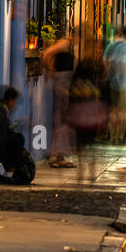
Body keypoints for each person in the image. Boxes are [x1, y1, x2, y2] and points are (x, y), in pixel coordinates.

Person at [67, 59, 110, 183]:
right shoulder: (95, 84)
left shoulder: (75, 84)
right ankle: (91, 172)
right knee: (91, 147)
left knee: (80, 148)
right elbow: (103, 101)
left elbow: (71, 100)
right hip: (91, 120)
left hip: (78, 119)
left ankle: (81, 173)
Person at [42, 34, 76, 168]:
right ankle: (56, 156)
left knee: (62, 120)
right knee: (60, 120)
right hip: (61, 83)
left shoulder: (69, 45)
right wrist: (48, 70)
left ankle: (59, 156)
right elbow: (46, 54)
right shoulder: (65, 43)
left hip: (63, 83)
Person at [103, 28, 126, 144]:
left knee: (114, 110)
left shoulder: (113, 45)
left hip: (113, 81)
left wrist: (108, 73)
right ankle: (124, 136)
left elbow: (106, 61)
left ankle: (113, 136)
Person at [0, 87, 29, 183]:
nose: (14, 106)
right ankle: (10, 172)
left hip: (2, 143)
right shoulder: (2, 112)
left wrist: (17, 123)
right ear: (10, 100)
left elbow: (8, 128)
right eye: (14, 102)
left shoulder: (1, 110)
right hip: (2, 147)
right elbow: (5, 131)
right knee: (19, 139)